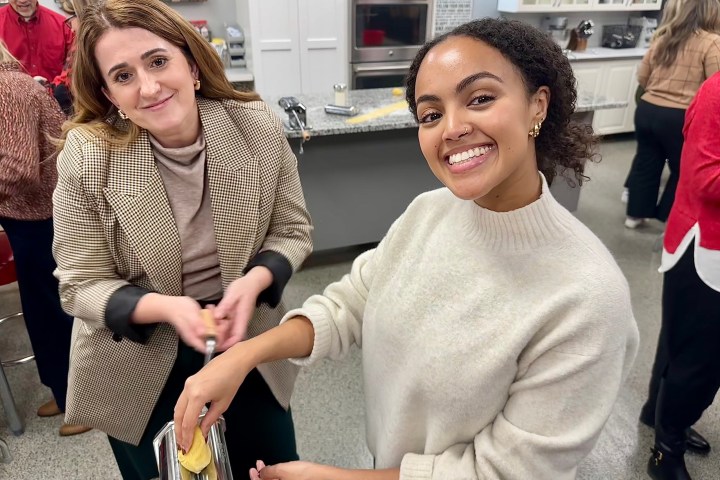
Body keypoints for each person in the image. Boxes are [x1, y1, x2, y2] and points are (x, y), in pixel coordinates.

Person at [175, 18, 639, 480]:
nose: (452, 128)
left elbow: (505, 472)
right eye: (431, 114)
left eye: (479, 99)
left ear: (537, 105)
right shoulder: (429, 212)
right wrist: (244, 355)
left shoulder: (587, 297)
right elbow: (350, 305)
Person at [51, 0, 312, 478]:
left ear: (191, 64)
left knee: (270, 466)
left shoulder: (254, 129)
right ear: (108, 93)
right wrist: (170, 308)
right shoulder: (87, 156)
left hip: (246, 338)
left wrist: (253, 282)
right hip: (136, 356)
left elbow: (292, 230)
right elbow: (78, 284)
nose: (148, 87)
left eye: (157, 61)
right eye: (123, 75)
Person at [0, 41, 90, 437]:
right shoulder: (15, 85)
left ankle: (84, 401)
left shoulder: (8, 89)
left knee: (58, 312)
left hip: (42, 217)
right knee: (44, 312)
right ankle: (64, 389)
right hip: (31, 216)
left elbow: (18, 170)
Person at [644, 72, 720, 480]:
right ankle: (665, 452)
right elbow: (706, 179)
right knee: (700, 359)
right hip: (705, 246)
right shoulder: (718, 92)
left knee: (683, 343)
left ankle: (656, 414)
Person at [623, 0, 720, 229]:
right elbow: (715, 86)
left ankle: (635, 216)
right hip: (680, 116)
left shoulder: (663, 37)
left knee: (646, 162)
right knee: (682, 169)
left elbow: (643, 77)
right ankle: (668, 216)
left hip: (648, 110)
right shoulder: (712, 42)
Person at [0, 0, 74, 83]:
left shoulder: (63, 25)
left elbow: (74, 67)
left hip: (53, 94)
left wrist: (55, 87)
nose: (23, 1)